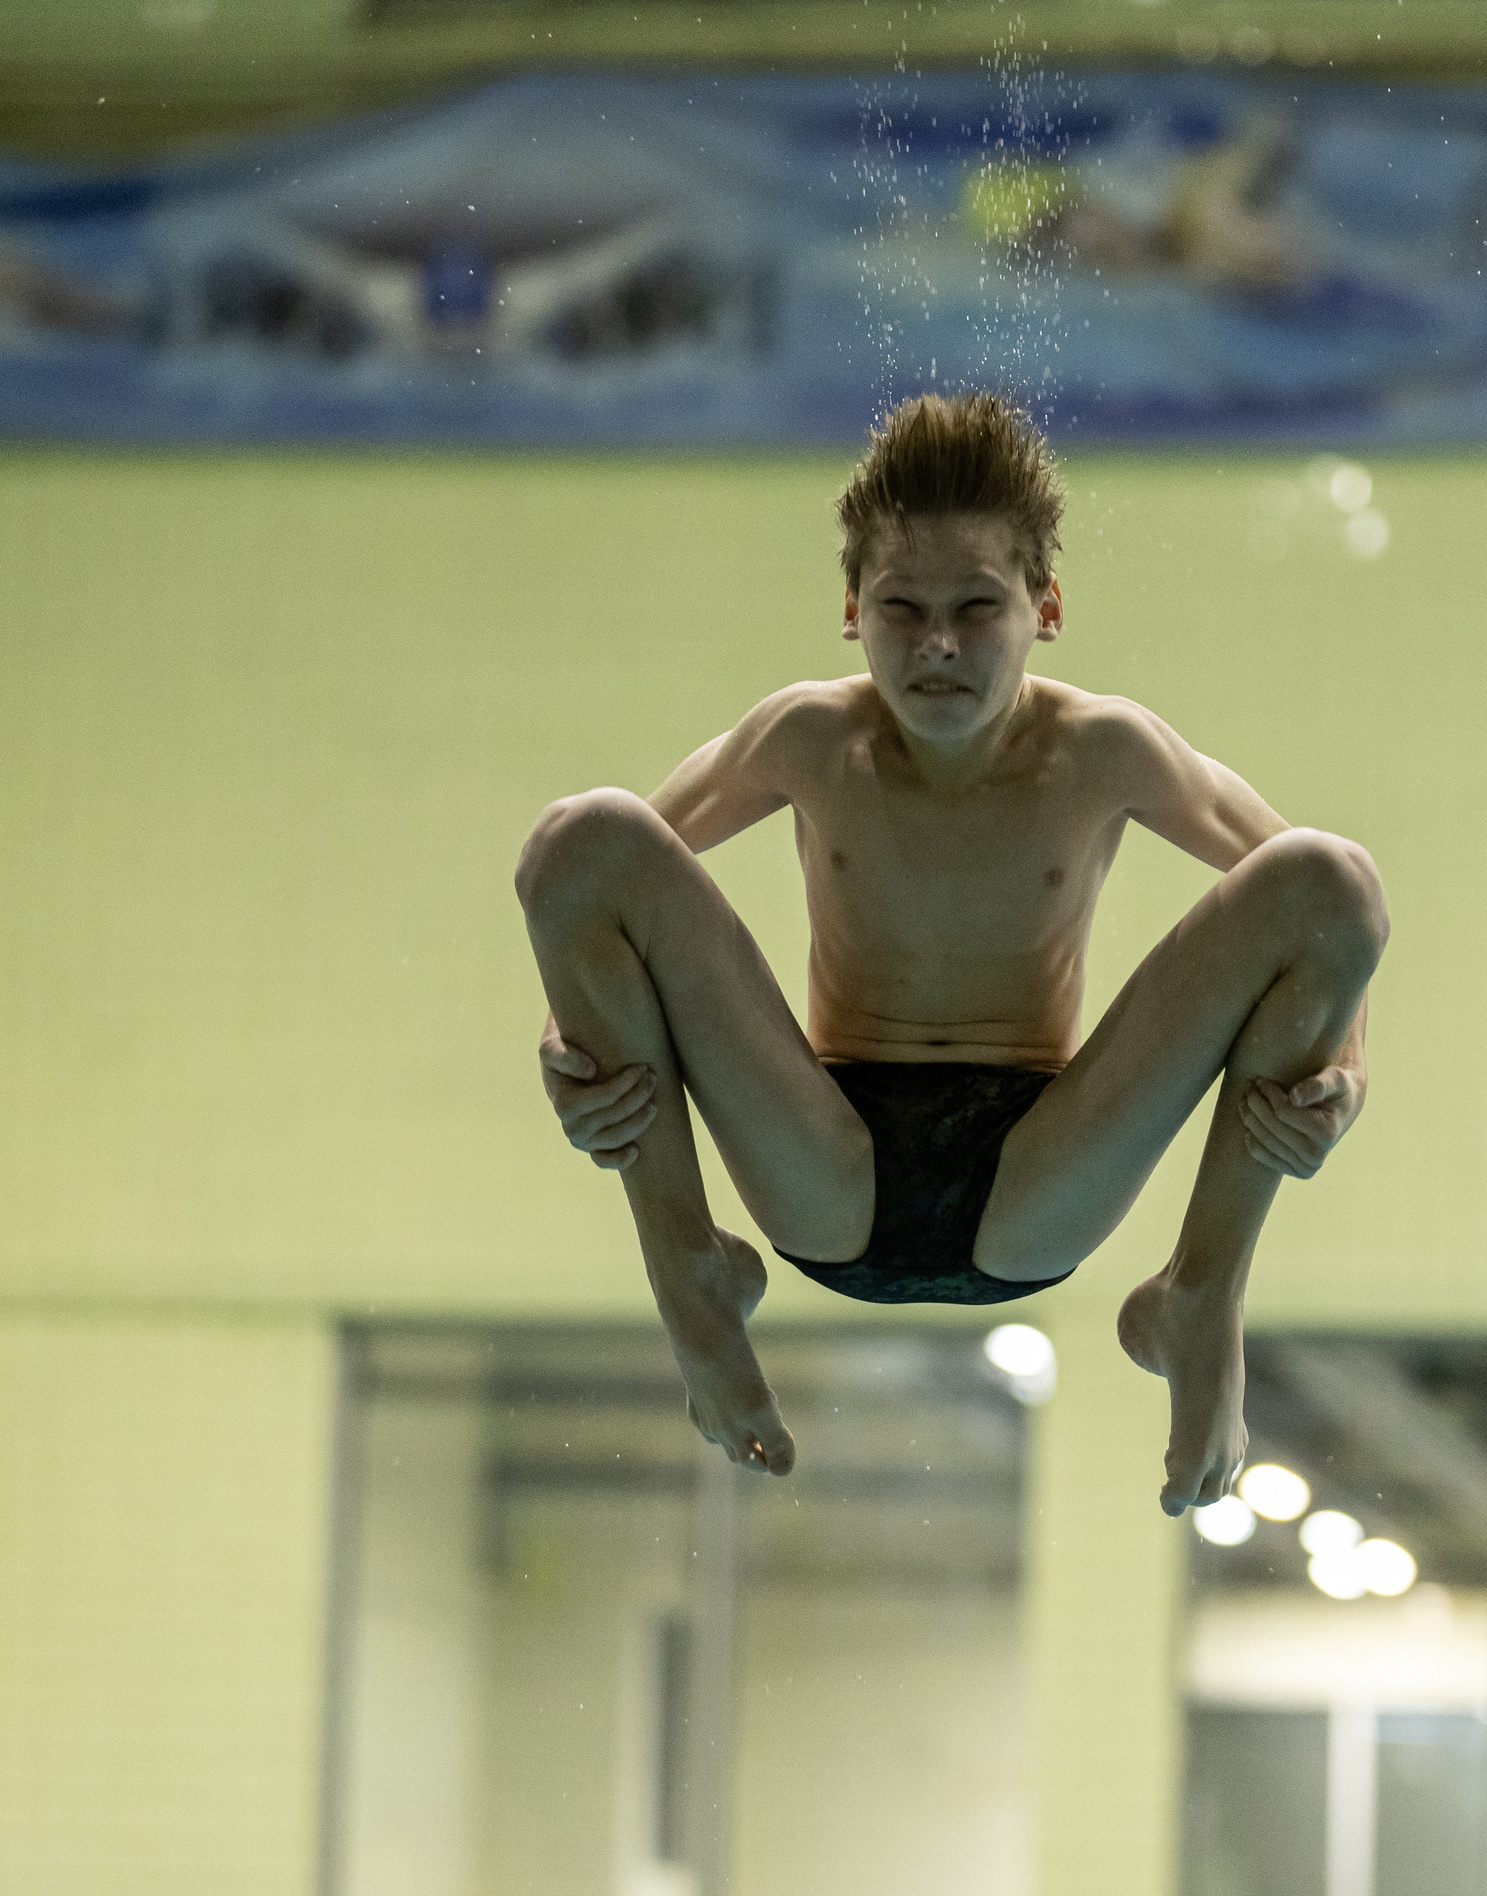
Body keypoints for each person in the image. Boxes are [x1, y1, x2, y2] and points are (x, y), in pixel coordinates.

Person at [514, 392, 1387, 1516]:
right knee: (579, 835)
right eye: (902, 607)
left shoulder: (1105, 748)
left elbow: (1330, 919)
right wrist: (567, 1052)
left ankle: (1199, 1294)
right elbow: (588, 896)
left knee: (1330, 874)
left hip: (1041, 1175)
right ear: (849, 610)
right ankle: (687, 1263)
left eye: (977, 606)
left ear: (1047, 607)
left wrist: (1344, 1075)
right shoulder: (804, 737)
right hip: (819, 1160)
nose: (936, 643)